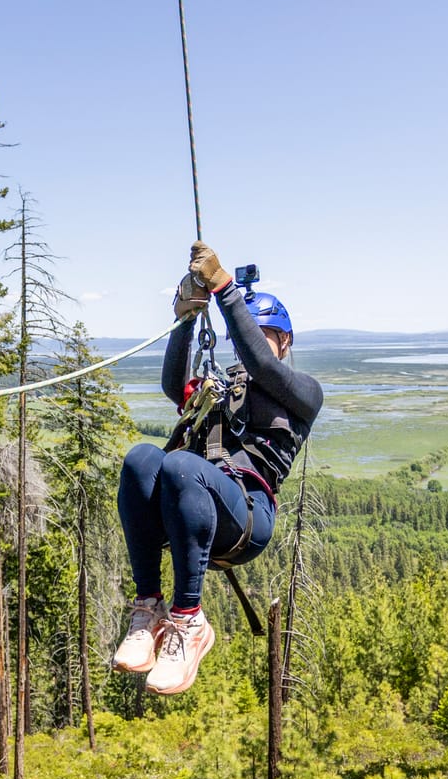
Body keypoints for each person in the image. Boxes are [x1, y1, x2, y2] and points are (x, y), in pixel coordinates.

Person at [113, 242, 323, 694]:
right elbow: (174, 386)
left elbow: (262, 365)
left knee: (182, 466)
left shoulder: (303, 393)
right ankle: (149, 607)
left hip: (245, 515)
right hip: (192, 504)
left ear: (284, 342)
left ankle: (189, 623)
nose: (249, 343)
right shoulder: (221, 389)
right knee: (141, 460)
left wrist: (226, 289)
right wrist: (186, 318)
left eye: (261, 331)